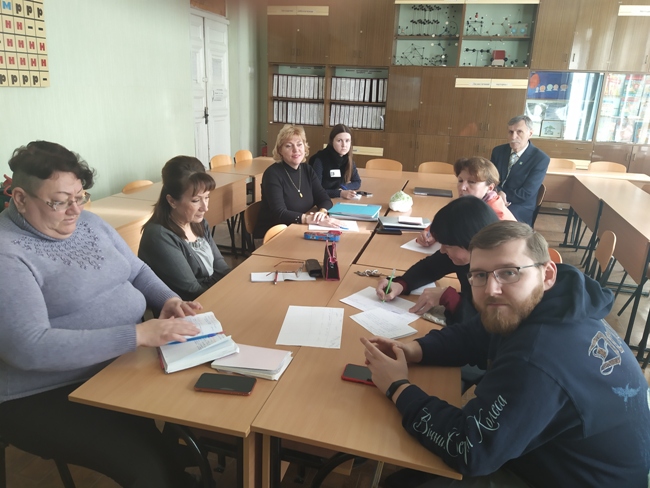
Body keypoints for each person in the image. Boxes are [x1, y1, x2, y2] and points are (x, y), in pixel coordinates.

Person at [363, 221, 650, 488]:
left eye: (509, 272)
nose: (492, 289)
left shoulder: (538, 358)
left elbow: (469, 449)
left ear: (547, 274)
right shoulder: (555, 303)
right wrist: (413, 350)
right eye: (480, 275)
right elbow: (475, 334)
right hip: (559, 452)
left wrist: (397, 387)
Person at [0, 141, 205, 488]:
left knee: (187, 417)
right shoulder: (7, 254)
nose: (74, 211)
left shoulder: (90, 224)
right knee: (145, 467)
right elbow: (29, 347)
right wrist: (137, 335)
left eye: (80, 197)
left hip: (113, 366)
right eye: (60, 201)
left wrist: (168, 299)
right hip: (42, 392)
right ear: (20, 198)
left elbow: (136, 270)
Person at [376, 196, 499, 324]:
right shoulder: (463, 254)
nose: (442, 250)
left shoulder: (500, 276)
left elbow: (488, 320)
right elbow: (429, 268)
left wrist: (451, 299)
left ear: (472, 243)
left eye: (448, 246)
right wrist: (402, 284)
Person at [139, 156, 230, 301]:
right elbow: (192, 291)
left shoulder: (198, 222)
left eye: (207, 197)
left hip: (212, 296)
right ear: (172, 201)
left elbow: (221, 269)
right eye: (196, 200)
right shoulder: (159, 236)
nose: (205, 207)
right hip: (188, 308)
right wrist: (229, 295)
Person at [254, 124, 340, 240]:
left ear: (305, 147)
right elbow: (279, 213)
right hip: (274, 235)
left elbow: (324, 198)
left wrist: (321, 213)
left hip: (298, 229)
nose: (296, 150)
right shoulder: (272, 174)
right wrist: (308, 219)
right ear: (280, 150)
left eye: (299, 144)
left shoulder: (307, 169)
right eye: (288, 146)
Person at [416, 157, 516, 247]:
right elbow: (448, 220)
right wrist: (430, 233)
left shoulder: (495, 214)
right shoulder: (468, 203)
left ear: (490, 188)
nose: (462, 187)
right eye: (460, 181)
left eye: (472, 182)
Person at [490, 115, 550, 225]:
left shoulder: (540, 158)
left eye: (519, 132)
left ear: (530, 134)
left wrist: (503, 195)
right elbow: (490, 178)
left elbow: (527, 193)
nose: (513, 137)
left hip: (520, 204)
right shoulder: (498, 151)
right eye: (510, 132)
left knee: (495, 220)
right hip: (495, 196)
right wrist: (498, 192)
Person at [309, 124, 361, 199]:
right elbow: (316, 190)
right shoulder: (320, 159)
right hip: (321, 200)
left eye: (347, 141)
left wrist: (343, 187)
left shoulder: (347, 158)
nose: (344, 145)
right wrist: (339, 193)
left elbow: (357, 182)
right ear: (332, 141)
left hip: (337, 199)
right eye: (339, 141)